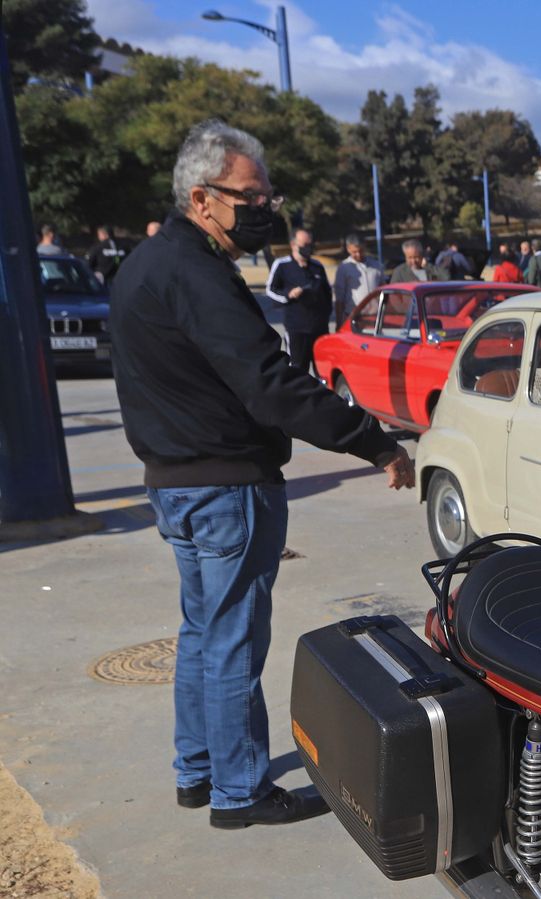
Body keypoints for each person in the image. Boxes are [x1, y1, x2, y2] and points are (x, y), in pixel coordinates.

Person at [110, 120, 415, 828]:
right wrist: (372, 441)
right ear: (201, 198)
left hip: (176, 480)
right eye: (250, 196)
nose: (264, 209)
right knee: (233, 641)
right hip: (224, 485)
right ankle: (239, 790)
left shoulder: (148, 264)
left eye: (267, 196)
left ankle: (197, 771)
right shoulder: (193, 272)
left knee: (203, 632)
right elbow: (271, 383)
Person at [266, 229, 334, 373]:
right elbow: (270, 290)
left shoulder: (317, 266)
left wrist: (325, 316)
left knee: (323, 370)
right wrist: (288, 294)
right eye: (304, 245)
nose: (308, 248)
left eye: (310, 244)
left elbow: (327, 293)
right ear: (293, 244)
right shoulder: (282, 265)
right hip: (296, 329)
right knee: (297, 371)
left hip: (320, 329)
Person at [333, 233, 383, 326]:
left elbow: (383, 288)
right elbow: (339, 297)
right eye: (354, 252)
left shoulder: (376, 265)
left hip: (375, 316)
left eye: (361, 251)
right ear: (348, 249)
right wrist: (339, 322)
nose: (358, 254)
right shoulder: (344, 268)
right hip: (354, 316)